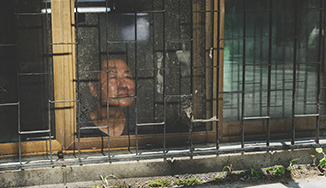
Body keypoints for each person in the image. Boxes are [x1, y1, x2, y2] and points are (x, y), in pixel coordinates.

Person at [88, 58, 135, 136]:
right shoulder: (80, 129)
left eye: (127, 77)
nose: (124, 85)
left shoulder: (141, 127)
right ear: (93, 89)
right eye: (113, 77)